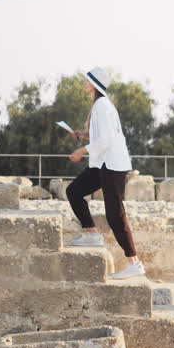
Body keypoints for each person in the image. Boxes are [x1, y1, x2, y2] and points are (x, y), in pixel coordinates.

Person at [65, 66, 145, 279]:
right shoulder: (101, 105)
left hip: (112, 166)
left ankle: (133, 262)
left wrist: (81, 150)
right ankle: (91, 234)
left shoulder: (101, 106)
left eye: (87, 80)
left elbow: (106, 140)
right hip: (103, 165)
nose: (84, 83)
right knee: (74, 191)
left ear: (94, 84)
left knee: (115, 215)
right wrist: (82, 135)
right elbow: (102, 136)